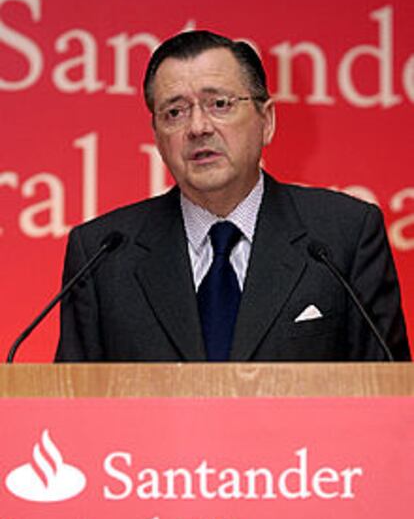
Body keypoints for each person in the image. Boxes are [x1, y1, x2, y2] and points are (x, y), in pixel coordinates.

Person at [55, 30, 410, 362]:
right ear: (157, 137)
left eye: (219, 104)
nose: (198, 127)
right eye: (175, 112)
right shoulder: (103, 255)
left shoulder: (344, 235)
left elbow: (390, 398)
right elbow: (71, 410)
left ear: (266, 120)